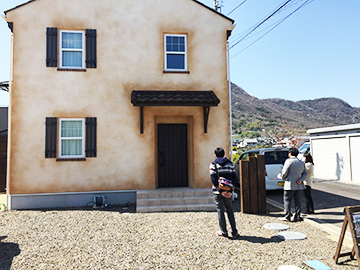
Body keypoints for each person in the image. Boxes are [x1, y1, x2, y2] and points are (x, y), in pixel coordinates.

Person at [209, 147, 239, 238]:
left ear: (215, 154)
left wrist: (220, 190)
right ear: (224, 154)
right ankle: (234, 231)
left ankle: (224, 232)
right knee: (230, 210)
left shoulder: (213, 164)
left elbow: (213, 178)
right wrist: (230, 190)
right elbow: (234, 177)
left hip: (218, 192)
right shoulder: (230, 163)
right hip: (228, 192)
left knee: (220, 211)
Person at [279, 147, 307, 222]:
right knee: (297, 201)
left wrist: (281, 177)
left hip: (289, 184)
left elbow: (284, 172)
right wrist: (301, 180)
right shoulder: (301, 162)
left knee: (287, 200)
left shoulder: (289, 161)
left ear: (290, 154)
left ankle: (287, 216)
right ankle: (297, 216)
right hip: (299, 185)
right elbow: (305, 173)